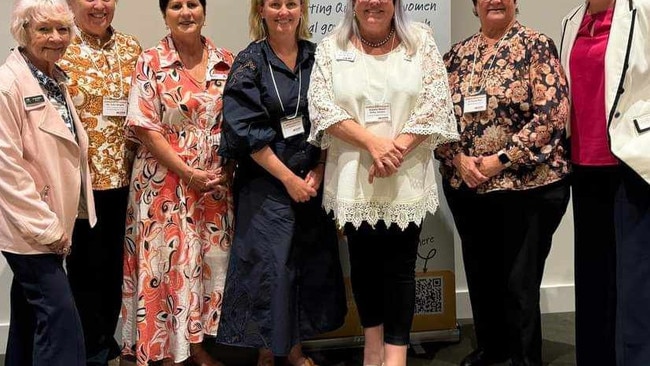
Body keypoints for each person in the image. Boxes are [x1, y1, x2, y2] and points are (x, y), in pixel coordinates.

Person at [307, 0, 459, 364]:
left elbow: (436, 103)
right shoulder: (332, 47)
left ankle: (396, 354)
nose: (373, 3)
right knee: (363, 265)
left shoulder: (420, 41)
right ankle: (372, 349)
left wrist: (396, 149)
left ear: (395, 4)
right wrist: (373, 143)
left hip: (404, 179)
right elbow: (322, 106)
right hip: (354, 180)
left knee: (401, 270)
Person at [434, 1, 571, 365]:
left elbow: (552, 115)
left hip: (527, 187)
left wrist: (501, 160)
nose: (495, 0)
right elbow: (435, 117)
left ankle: (524, 358)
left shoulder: (535, 46)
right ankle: (491, 350)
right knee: (481, 275)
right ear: (475, 5)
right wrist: (458, 158)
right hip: (468, 187)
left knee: (518, 281)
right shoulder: (458, 55)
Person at [215, 1, 346, 365]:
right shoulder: (249, 62)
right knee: (269, 270)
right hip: (266, 184)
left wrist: (319, 169)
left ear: (302, 10)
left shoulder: (319, 58)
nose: (284, 11)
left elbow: (334, 117)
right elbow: (244, 131)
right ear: (261, 11)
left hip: (311, 181)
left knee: (305, 266)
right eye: (275, 4)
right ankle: (266, 355)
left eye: (292, 3)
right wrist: (289, 179)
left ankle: (294, 350)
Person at [120, 0, 234, 365]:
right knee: (165, 268)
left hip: (212, 186)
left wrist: (226, 170)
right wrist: (187, 173)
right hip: (164, 185)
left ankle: (196, 347)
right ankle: (166, 352)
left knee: (202, 266)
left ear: (204, 10)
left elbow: (239, 123)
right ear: (164, 14)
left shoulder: (227, 61)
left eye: (193, 4)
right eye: (175, 5)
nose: (185, 12)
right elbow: (145, 128)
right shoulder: (150, 61)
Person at [0, 0, 97, 365]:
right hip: (33, 228)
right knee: (61, 327)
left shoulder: (54, 78)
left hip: (50, 221)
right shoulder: (7, 85)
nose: (56, 38)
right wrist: (48, 228)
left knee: (29, 319)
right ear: (23, 32)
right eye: (44, 30)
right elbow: (6, 170)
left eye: (62, 29)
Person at [560, 1, 650, 365]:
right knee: (594, 279)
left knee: (635, 284)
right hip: (583, 164)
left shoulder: (641, 9)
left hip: (630, 161)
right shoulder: (571, 20)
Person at [57, 1, 141, 364]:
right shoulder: (59, 48)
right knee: (82, 274)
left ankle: (107, 345)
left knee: (114, 272)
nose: (99, 4)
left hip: (126, 182)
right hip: (78, 189)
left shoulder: (131, 48)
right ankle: (85, 352)